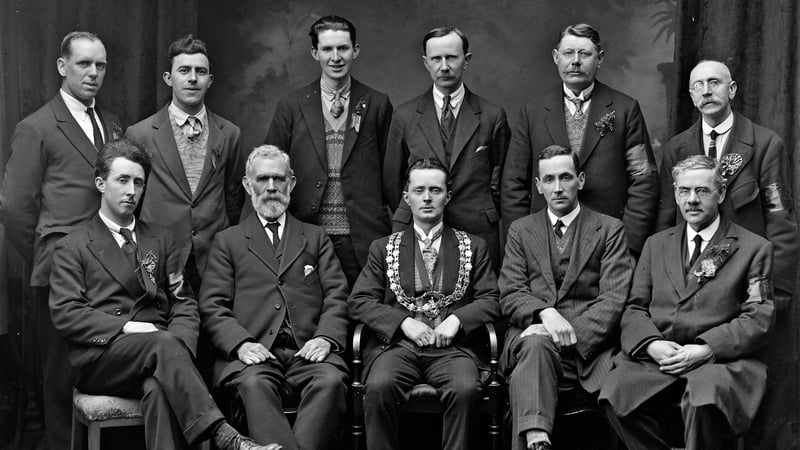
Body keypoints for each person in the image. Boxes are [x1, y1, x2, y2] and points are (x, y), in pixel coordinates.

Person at [48, 139, 280, 450]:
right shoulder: (73, 246)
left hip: (161, 355)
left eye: (139, 182)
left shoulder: (160, 240)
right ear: (101, 184)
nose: (132, 191)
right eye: (122, 180)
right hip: (103, 359)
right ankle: (226, 438)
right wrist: (130, 328)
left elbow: (183, 301)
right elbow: (67, 312)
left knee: (158, 386)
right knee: (161, 345)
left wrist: (178, 346)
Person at [654, 60, 797, 447]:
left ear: (731, 90)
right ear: (690, 96)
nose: (706, 91)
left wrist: (777, 290)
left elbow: (781, 220)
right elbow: (668, 221)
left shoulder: (765, 145)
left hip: (752, 282)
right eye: (698, 85)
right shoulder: (676, 148)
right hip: (698, 290)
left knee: (760, 396)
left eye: (715, 83)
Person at [600, 155, 775, 450]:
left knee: (703, 400)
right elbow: (634, 308)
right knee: (615, 394)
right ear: (676, 193)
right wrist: (651, 344)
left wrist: (707, 348)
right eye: (684, 191)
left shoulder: (754, 248)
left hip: (719, 361)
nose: (692, 200)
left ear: (720, 193)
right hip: (660, 358)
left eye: (702, 191)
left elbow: (759, 317)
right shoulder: (656, 244)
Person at [0, 31, 122, 449]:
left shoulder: (111, 124)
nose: (93, 73)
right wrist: (47, 252)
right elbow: (15, 207)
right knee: (59, 378)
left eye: (100, 65)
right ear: (62, 66)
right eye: (84, 63)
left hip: (112, 269)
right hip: (60, 271)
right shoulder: (36, 126)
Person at [200, 146, 349, 450]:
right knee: (253, 384)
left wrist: (324, 338)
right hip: (254, 354)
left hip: (306, 351)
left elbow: (337, 295)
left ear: (291, 183)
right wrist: (240, 344)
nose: (270, 188)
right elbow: (213, 306)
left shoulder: (315, 237)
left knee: (331, 381)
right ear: (247, 184)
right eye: (262, 179)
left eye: (278, 179)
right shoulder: (228, 241)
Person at [349, 158, 501, 450]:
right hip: (398, 348)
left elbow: (491, 299)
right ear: (407, 198)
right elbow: (359, 302)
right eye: (419, 191)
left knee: (466, 389)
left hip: (452, 350)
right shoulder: (383, 248)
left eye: (435, 190)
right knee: (379, 387)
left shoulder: (473, 245)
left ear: (448, 196)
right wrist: (403, 323)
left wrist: (457, 320)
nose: (427, 198)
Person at [499, 145, 633, 450]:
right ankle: (537, 438)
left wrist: (564, 335)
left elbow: (613, 298)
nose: (557, 188)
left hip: (587, 352)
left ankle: (534, 439)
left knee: (537, 345)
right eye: (549, 180)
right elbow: (511, 292)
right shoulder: (521, 230)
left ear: (580, 180)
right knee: (534, 345)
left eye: (565, 177)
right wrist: (545, 315)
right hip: (530, 341)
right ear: (538, 186)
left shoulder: (609, 230)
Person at [501, 23, 658, 256]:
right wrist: (525, 243)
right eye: (568, 53)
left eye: (584, 54)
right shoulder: (533, 112)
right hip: (544, 243)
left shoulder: (625, 110)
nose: (575, 61)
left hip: (608, 244)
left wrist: (627, 244)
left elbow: (643, 180)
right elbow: (514, 183)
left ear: (600, 58)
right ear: (556, 57)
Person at [265, 15, 393, 287]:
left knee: (362, 310)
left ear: (355, 51)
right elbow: (268, 167)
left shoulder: (378, 104)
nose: (336, 57)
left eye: (343, 48)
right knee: (310, 309)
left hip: (361, 235)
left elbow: (391, 172)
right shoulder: (292, 104)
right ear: (315, 53)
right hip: (306, 232)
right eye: (327, 49)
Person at [383, 26, 510, 269]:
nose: (444, 66)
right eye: (436, 58)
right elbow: (392, 181)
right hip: (418, 227)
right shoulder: (405, 116)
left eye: (451, 57)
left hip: (477, 227)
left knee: (477, 300)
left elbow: (502, 179)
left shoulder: (492, 116)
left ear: (466, 60)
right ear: (425, 62)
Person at [126, 34, 244, 291]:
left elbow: (234, 197)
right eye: (184, 70)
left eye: (200, 72)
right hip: (160, 256)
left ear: (210, 80)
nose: (193, 78)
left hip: (213, 256)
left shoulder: (229, 133)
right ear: (169, 78)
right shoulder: (141, 134)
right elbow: (133, 201)